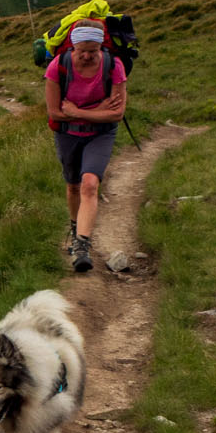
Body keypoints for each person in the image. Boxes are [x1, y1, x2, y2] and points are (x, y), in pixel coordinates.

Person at [44, 23, 127, 272]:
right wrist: (99, 110)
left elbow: (118, 114)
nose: (88, 56)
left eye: (94, 50)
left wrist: (77, 111)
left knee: (90, 184)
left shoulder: (114, 66)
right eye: (82, 51)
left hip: (100, 136)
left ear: (101, 46)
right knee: (73, 186)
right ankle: (74, 226)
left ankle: (82, 246)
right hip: (68, 135)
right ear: (73, 46)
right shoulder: (58, 66)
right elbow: (55, 113)